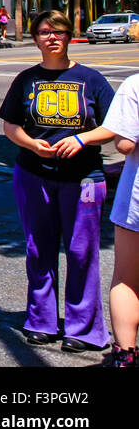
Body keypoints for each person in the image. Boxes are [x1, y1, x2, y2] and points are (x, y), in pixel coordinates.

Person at [0, 9, 114, 352]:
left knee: (81, 253)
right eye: (45, 32)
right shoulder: (26, 80)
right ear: (35, 38)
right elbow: (10, 124)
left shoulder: (92, 80)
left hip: (85, 179)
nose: (52, 37)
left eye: (59, 31)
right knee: (38, 250)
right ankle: (41, 321)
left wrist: (83, 139)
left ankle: (84, 329)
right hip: (34, 176)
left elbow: (114, 126)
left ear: (69, 36)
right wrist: (30, 143)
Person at [73, 71, 139, 367]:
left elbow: (124, 144)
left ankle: (125, 353)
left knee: (127, 278)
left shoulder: (134, 85)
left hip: (136, 198)